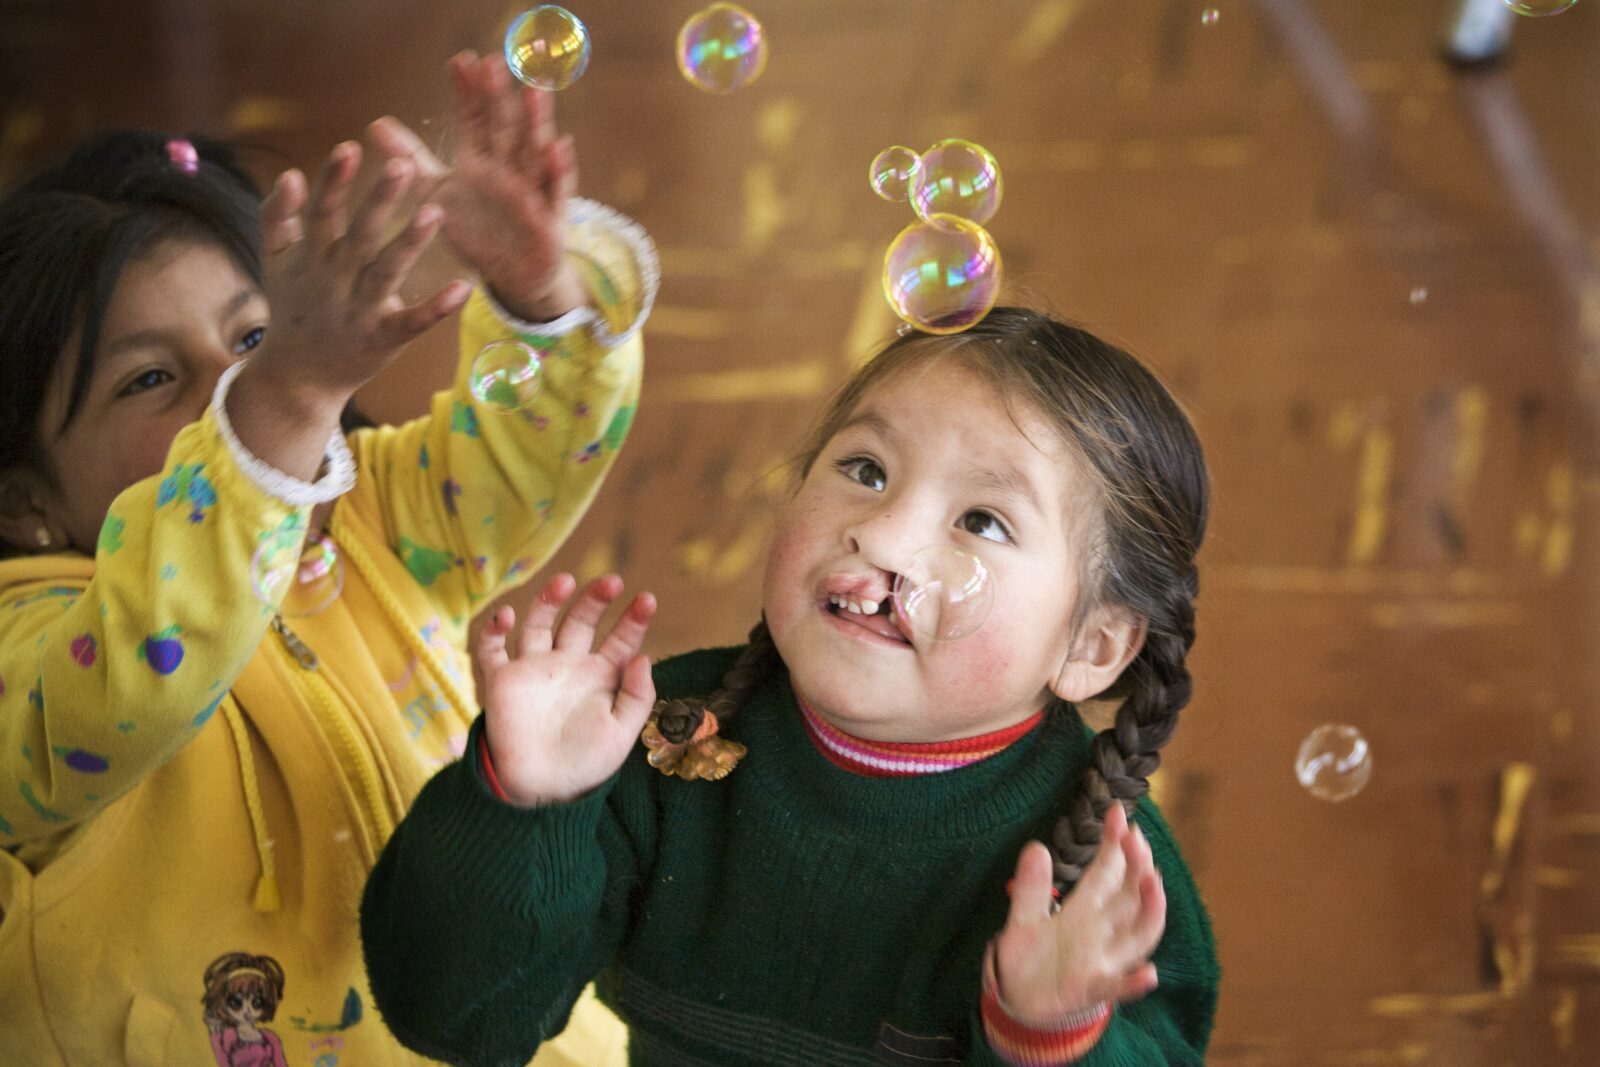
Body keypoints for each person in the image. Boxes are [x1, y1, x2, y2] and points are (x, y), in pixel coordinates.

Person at [0, 51, 648, 1066]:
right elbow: (137, 676)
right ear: (26, 500)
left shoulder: (383, 510)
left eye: (257, 337)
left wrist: (538, 298)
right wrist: (284, 396)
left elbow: (535, 448)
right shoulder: (27, 639)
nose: (230, 390)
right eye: (154, 377)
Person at [361, 307, 1220, 1065]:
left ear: (1095, 646)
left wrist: (1049, 1035)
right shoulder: (660, 741)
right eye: (865, 469)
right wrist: (526, 807)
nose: (881, 534)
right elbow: (459, 1023)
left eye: (983, 520)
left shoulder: (1100, 876)